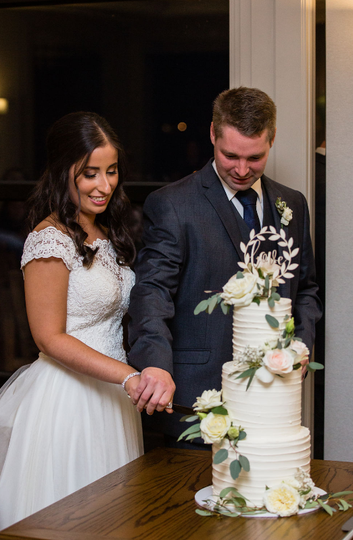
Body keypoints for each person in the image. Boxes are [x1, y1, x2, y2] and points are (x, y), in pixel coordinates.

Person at [127, 86, 322, 447]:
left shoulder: (293, 203)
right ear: (213, 134)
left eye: (255, 158)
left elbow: (306, 288)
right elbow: (152, 291)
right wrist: (153, 362)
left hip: (276, 394)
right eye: (230, 155)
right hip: (198, 394)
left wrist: (299, 348)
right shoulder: (172, 205)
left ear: (272, 138)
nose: (242, 170)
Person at [0, 112, 143, 529]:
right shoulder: (49, 240)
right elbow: (49, 338)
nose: (105, 185)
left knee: (115, 520)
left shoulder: (106, 231)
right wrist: (128, 377)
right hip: (69, 402)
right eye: (90, 174)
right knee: (71, 523)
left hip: (113, 398)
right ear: (63, 172)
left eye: (111, 171)